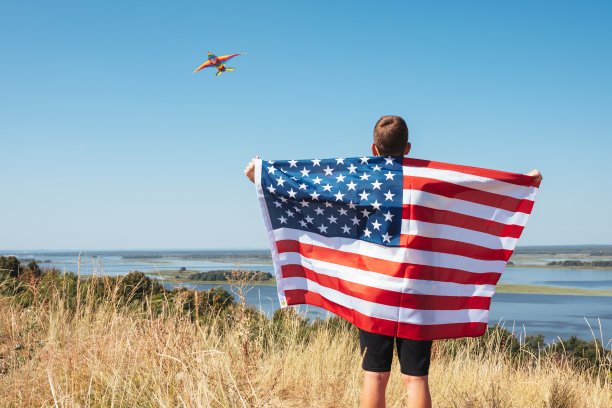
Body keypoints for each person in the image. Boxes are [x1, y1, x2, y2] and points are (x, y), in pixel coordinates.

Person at [243, 115, 542, 408]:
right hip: (417, 293)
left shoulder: (358, 181)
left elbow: (314, 189)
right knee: (417, 379)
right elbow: (476, 186)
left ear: (373, 149)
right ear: (408, 148)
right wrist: (525, 183)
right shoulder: (429, 181)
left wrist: (261, 175)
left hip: (374, 292)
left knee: (374, 376)